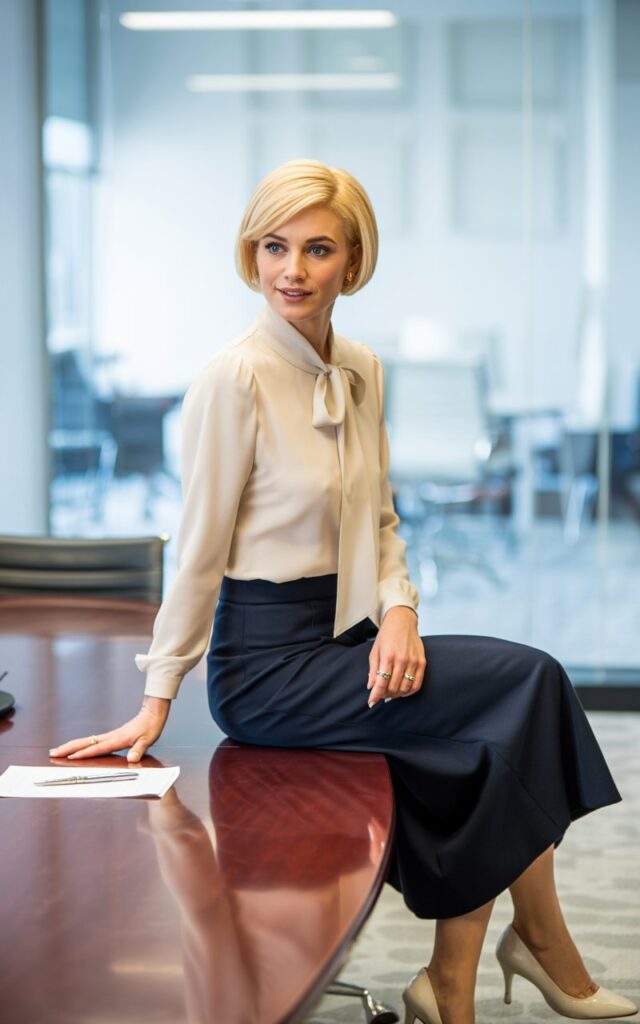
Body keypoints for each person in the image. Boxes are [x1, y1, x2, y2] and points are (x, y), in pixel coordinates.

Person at [50, 160, 637, 1024]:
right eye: (274, 246)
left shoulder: (360, 367)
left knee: (487, 748)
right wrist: (157, 696)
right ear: (250, 255)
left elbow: (382, 518)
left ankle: (455, 977)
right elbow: (199, 549)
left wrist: (400, 609)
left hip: (347, 637)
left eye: (317, 249)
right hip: (267, 668)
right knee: (531, 680)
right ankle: (538, 948)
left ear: (352, 261)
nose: (292, 269)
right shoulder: (233, 378)